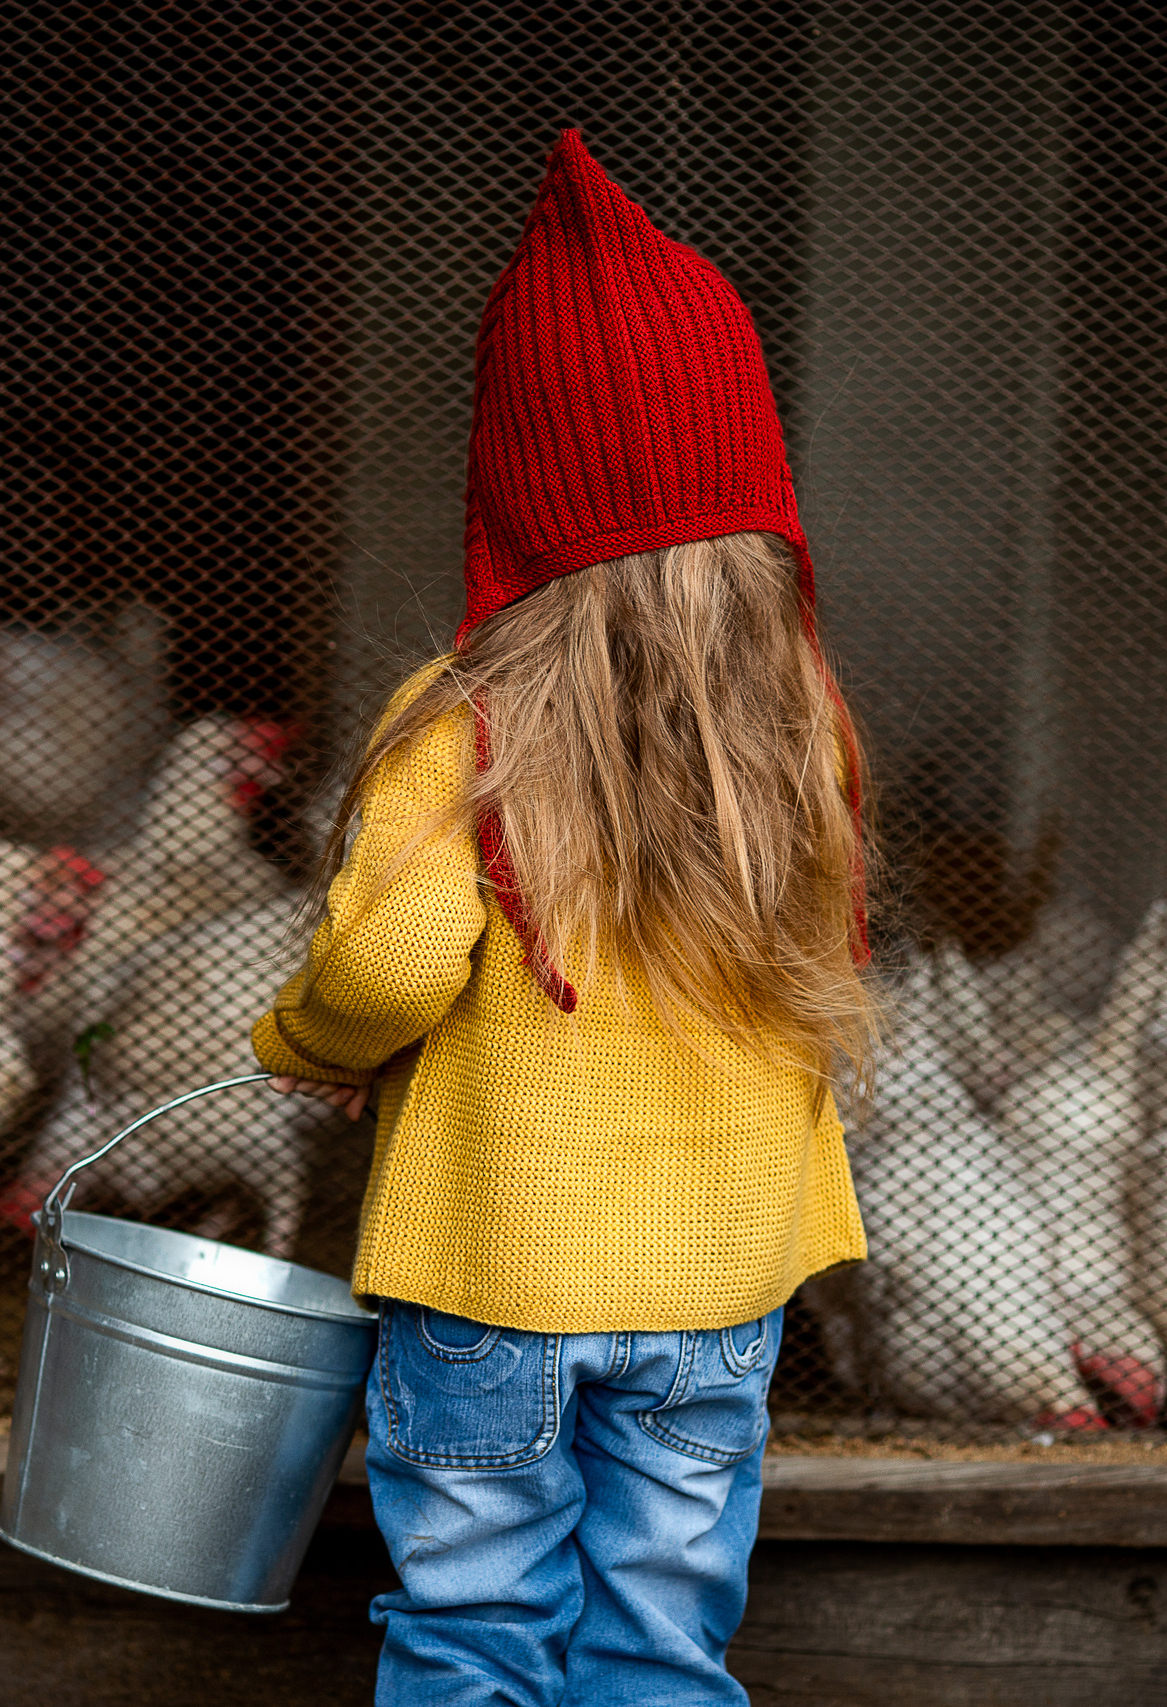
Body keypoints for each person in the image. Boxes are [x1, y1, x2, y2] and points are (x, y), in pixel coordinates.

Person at [254, 130, 878, 1706]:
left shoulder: (464, 723)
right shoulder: (802, 726)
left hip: (496, 1283)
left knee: (476, 1637)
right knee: (662, 1645)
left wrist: (303, 1038)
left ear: (517, 489)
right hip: (719, 1287)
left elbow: (391, 965)